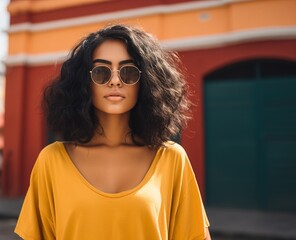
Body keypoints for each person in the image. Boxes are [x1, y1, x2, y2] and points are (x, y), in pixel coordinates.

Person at [15, 24, 211, 240]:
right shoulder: (52, 161)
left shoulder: (172, 158)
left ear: (146, 81)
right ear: (84, 82)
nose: (115, 80)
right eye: (101, 72)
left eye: (128, 71)